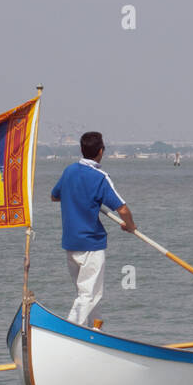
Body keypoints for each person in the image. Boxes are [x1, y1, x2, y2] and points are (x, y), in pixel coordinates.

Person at [49, 131, 135, 326]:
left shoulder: (69, 171)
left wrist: (77, 196)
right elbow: (122, 209)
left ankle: (95, 333)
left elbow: (55, 196)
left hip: (71, 244)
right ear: (101, 151)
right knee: (89, 295)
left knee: (89, 294)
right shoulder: (100, 177)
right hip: (91, 245)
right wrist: (130, 226)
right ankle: (68, 332)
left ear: (81, 149)